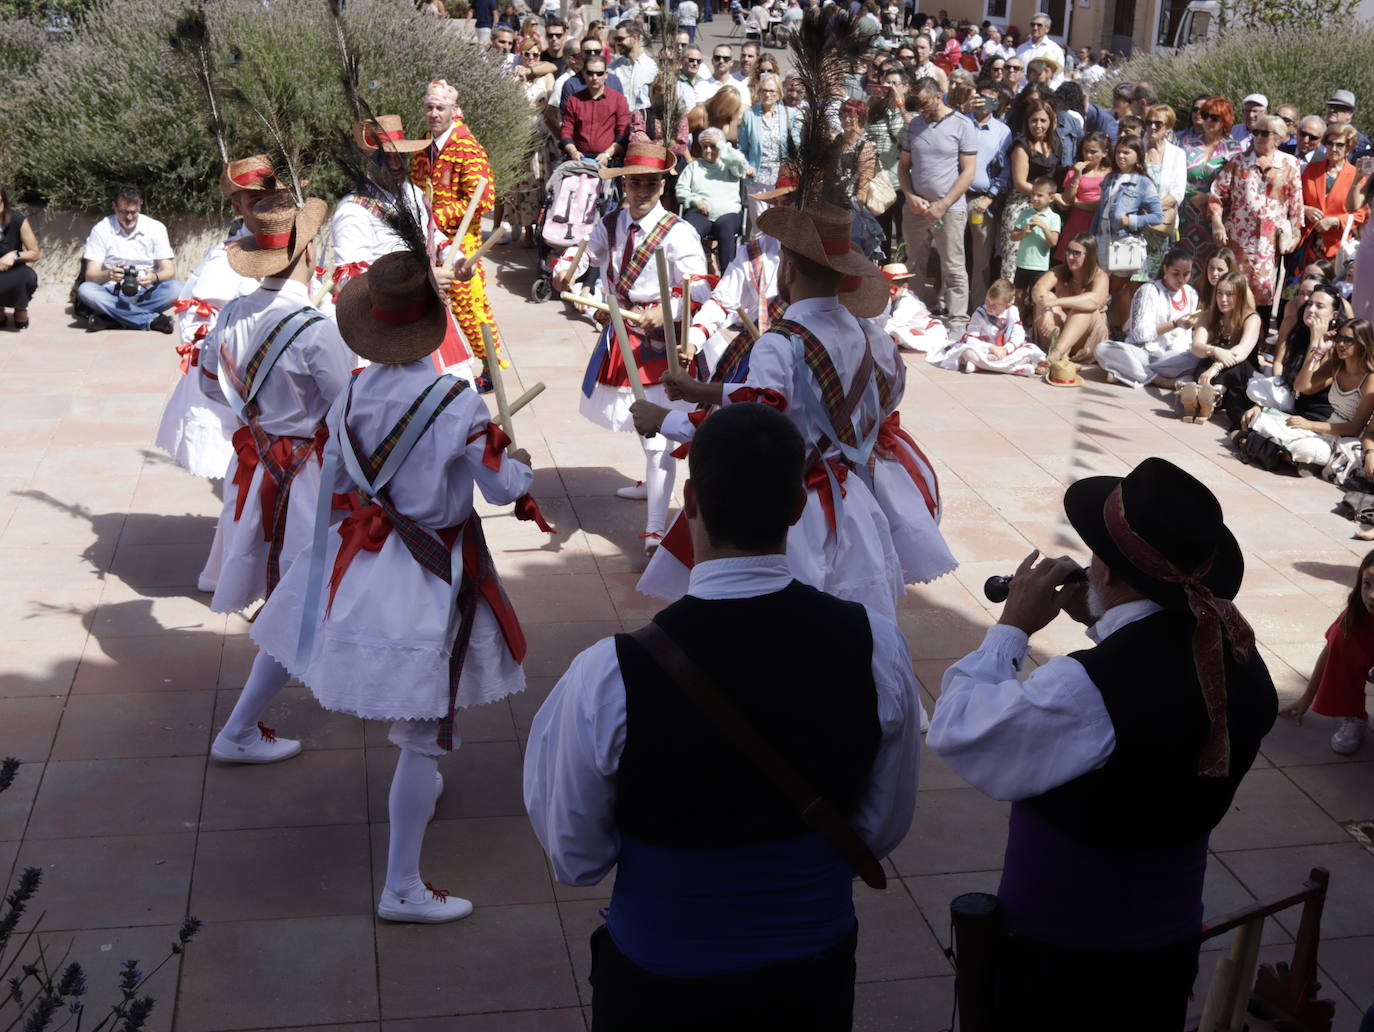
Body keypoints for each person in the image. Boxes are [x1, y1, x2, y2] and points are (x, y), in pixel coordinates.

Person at [523, 401, 921, 1029]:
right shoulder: (875, 645)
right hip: (810, 977)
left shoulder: (609, 674)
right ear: (797, 507)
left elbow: (575, 858)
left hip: (661, 982)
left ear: (690, 502)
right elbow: (882, 824)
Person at [927, 457, 1277, 1032]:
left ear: (1108, 576)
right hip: (1165, 949)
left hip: (1066, 961)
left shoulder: (1087, 689)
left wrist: (1011, 627)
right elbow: (1160, 675)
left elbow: (961, 730)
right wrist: (1105, 623)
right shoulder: (1236, 654)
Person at [251, 249, 539, 922]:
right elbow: (499, 490)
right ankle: (402, 887)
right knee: (421, 732)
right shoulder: (456, 400)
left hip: (369, 560)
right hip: (435, 573)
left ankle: (409, 849)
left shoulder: (352, 391)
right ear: (434, 325)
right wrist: (517, 466)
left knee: (410, 722)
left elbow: (343, 482)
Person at [630, 201, 905, 618]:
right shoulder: (873, 336)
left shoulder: (781, 342)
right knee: (858, 621)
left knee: (788, 623)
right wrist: (703, 388)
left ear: (788, 270)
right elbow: (888, 398)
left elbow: (752, 426)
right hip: (855, 499)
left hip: (796, 511)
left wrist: (663, 419)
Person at [200, 193, 356, 764]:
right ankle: (238, 730)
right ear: (308, 251)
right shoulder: (317, 330)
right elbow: (347, 409)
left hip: (253, 466)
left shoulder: (231, 313)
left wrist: (257, 419)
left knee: (297, 589)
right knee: (304, 594)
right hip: (307, 478)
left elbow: (209, 387)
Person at [552, 142, 706, 553]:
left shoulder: (679, 231)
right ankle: (651, 486)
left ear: (662, 185)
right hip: (623, 330)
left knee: (660, 434)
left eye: (650, 184)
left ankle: (656, 526)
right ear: (624, 184)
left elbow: (702, 286)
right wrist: (567, 268)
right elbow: (586, 252)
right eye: (634, 183)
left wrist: (668, 309)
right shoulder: (611, 222)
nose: (641, 192)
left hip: (661, 341)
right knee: (643, 422)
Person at [156, 156, 281, 490]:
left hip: (287, 392)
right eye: (255, 201)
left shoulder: (295, 246)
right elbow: (199, 334)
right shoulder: (222, 261)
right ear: (237, 207)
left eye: (272, 198)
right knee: (243, 489)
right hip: (241, 394)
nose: (266, 208)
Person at [411, 79, 506, 391]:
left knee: (469, 307)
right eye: (429, 107)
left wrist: (436, 216)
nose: (434, 114)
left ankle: (490, 368)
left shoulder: (467, 148)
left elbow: (484, 199)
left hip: (460, 240)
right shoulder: (424, 142)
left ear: (454, 110)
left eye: (440, 108)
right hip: (428, 238)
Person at [1242, 316, 1374, 472]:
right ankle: (1280, 453)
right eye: (1339, 338)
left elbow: (1355, 428)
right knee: (1260, 418)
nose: (1341, 344)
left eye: (1348, 340)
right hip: (1322, 429)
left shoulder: (1370, 378)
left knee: (1304, 448)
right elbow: (1301, 386)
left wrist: (1309, 424)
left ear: (1362, 344)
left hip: (1343, 440)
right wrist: (1319, 351)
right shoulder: (1337, 365)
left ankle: (1262, 445)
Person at [898, 75, 977, 332]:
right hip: (916, 209)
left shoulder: (963, 125)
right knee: (913, 264)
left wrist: (943, 204)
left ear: (937, 96)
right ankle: (915, 314)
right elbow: (903, 167)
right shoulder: (914, 126)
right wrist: (910, 196)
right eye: (916, 104)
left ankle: (957, 322)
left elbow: (968, 172)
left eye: (924, 103)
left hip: (950, 210)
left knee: (953, 266)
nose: (921, 109)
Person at [1283, 547, 1374, 755]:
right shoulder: (1355, 615)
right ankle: (1354, 715)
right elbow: (1331, 653)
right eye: (1367, 584)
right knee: (1342, 639)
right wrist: (1307, 697)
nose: (1372, 595)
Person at [1210, 114, 1302, 318]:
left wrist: (1294, 234)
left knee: (1263, 291)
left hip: (1268, 244)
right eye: (1255, 132)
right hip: (1238, 240)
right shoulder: (1238, 161)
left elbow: (1296, 205)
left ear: (1278, 137)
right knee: (1235, 288)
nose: (1258, 137)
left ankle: (1256, 344)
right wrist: (1217, 222)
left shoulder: (1290, 164)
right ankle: (1230, 338)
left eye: (1265, 133)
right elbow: (1216, 194)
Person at [78, 183, 182, 333]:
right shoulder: (101, 229)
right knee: (86, 290)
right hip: (112, 293)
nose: (129, 217)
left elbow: (169, 272)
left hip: (145, 292)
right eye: (123, 212)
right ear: (114, 207)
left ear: (141, 204)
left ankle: (111, 319)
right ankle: (150, 320)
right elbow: (90, 275)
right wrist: (108, 274)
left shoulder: (156, 228)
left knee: (178, 289)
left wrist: (154, 277)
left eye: (134, 212)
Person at [1096, 246, 1201, 389]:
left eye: (1186, 274)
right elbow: (1140, 335)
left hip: (1171, 359)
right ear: (1165, 269)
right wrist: (1175, 323)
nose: (1181, 279)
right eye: (1176, 274)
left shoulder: (1191, 294)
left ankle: (1128, 372)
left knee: (1197, 358)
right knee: (1103, 349)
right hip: (1144, 353)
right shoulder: (1149, 290)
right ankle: (1162, 381)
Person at [1092, 134, 1163, 332]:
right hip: (1103, 237)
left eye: (1127, 152)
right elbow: (1100, 211)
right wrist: (1091, 236)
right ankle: (1102, 328)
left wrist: (1131, 220)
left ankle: (1120, 329)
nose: (1121, 156)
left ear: (1138, 155)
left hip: (1125, 240)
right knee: (1101, 285)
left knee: (1118, 288)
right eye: (1119, 152)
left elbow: (1158, 216)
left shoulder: (1143, 183)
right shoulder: (1109, 178)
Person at [1178, 270, 1261, 426]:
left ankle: (1210, 395)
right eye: (1219, 293)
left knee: (1234, 364)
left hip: (1241, 373)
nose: (1223, 299)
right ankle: (1204, 399)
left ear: (1241, 295)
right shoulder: (1208, 315)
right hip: (1213, 370)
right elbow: (1196, 347)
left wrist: (1215, 367)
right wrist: (1215, 351)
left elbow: (1241, 352)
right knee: (1204, 361)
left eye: (1230, 294)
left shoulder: (1252, 318)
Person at [998, 98, 1063, 282]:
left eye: (1043, 120)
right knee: (1014, 258)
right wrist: (1047, 196)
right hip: (1021, 205)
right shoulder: (1022, 145)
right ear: (1027, 122)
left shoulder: (1056, 144)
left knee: (1039, 259)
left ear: (1051, 122)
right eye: (1034, 120)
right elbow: (1019, 182)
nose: (1038, 125)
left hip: (1046, 209)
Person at [1178, 97, 1243, 278]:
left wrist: (1208, 197)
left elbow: (1236, 188)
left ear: (1225, 121)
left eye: (1214, 117)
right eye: (1205, 115)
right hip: (1185, 217)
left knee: (1212, 270)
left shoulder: (1233, 150)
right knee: (1184, 266)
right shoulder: (1187, 145)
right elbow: (1175, 177)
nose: (1207, 121)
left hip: (1215, 219)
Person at [928, 277, 1044, 376]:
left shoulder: (1012, 312)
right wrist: (991, 348)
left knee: (1030, 348)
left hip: (1004, 352)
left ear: (1006, 305)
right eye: (987, 301)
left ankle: (979, 366)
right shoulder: (979, 313)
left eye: (994, 305)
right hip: (984, 351)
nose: (989, 306)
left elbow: (1018, 334)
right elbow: (971, 340)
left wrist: (1006, 349)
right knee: (967, 352)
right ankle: (1014, 369)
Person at [1032, 232, 1109, 369]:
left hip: (1085, 339)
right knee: (1046, 297)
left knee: (1084, 309)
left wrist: (1056, 303)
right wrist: (1048, 310)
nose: (1070, 257)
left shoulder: (1100, 276)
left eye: (1076, 253)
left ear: (1089, 255)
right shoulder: (1060, 271)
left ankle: (1055, 355)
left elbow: (1094, 301)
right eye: (1068, 251)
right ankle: (1060, 352)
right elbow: (1038, 289)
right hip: (1056, 332)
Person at [965, 83, 1011, 306]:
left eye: (992, 99)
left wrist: (990, 197)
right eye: (982, 98)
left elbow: (1005, 170)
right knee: (952, 252)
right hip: (955, 196)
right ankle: (948, 300)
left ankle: (977, 305)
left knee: (981, 257)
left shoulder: (1003, 131)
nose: (986, 103)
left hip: (982, 200)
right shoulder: (961, 122)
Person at [678, 127, 749, 270]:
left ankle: (727, 279)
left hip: (728, 214)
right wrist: (695, 200)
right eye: (705, 147)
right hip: (700, 214)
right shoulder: (694, 167)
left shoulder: (730, 165)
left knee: (725, 227)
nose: (709, 150)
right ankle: (691, 275)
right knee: (688, 230)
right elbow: (681, 190)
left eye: (713, 146)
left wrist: (721, 144)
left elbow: (741, 162)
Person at [1297, 123, 1367, 268]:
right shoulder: (1312, 169)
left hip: (1337, 247)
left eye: (1340, 145)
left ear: (1348, 148)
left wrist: (1335, 221)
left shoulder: (1356, 175)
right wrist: (1306, 209)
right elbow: (1295, 201)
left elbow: (1361, 214)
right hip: (1307, 244)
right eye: (1330, 143)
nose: (1334, 149)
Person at [737, 72, 799, 225]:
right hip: (757, 177)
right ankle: (761, 250)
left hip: (781, 179)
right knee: (760, 223)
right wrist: (747, 166)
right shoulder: (749, 116)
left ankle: (776, 250)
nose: (768, 94)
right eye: (764, 90)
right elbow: (742, 148)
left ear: (778, 93)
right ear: (759, 92)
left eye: (772, 91)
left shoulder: (790, 114)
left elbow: (796, 144)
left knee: (779, 223)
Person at [561, 53, 631, 167]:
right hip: (578, 161)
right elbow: (566, 131)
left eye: (599, 73)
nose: (594, 77)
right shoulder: (573, 100)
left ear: (606, 75)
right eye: (590, 73)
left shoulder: (618, 100)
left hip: (609, 161)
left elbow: (623, 133)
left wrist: (607, 154)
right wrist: (573, 151)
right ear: (583, 74)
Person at [1055, 130, 1110, 262]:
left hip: (1098, 224)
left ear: (1105, 153)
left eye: (1093, 152)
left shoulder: (1110, 173)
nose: (1088, 155)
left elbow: (1103, 203)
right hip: (1075, 224)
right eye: (1085, 151)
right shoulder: (1074, 171)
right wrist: (1076, 176)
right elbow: (1067, 201)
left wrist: (1078, 204)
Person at [1010, 176, 1061, 310]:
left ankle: (1034, 326)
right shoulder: (1025, 213)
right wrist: (1023, 232)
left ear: (1051, 198)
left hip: (1040, 266)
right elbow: (1013, 237)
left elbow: (1053, 242)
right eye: (1033, 194)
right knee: (1019, 295)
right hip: (1022, 263)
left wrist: (1044, 227)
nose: (1035, 198)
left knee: (1036, 298)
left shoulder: (1054, 217)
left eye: (1040, 195)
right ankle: (1018, 324)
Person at [880, 261, 948, 353]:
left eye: (892, 289)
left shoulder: (908, 301)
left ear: (904, 286)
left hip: (931, 332)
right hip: (914, 329)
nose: (889, 293)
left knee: (892, 330)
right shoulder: (896, 298)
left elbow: (896, 322)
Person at [0, 183, 39, 331]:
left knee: (27, 277)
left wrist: (14, 255)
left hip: (15, 271)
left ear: (3, 199)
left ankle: (20, 307)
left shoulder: (17, 219)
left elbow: (35, 253)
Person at [610, 21, 658, 112]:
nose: (617, 43)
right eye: (615, 39)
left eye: (620, 39)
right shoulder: (611, 69)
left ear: (634, 38)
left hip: (644, 121)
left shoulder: (652, 67)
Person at [1014, 11, 1064, 89]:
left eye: (1039, 25)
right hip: (1022, 93)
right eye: (1033, 24)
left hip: (1043, 94)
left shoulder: (1055, 50)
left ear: (1047, 28)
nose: (1035, 28)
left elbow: (1058, 79)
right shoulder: (1021, 49)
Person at [1325, 89, 1372, 162]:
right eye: (1331, 106)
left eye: (1338, 107)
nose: (1332, 110)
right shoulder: (1316, 134)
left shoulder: (1360, 142)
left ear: (1350, 114)